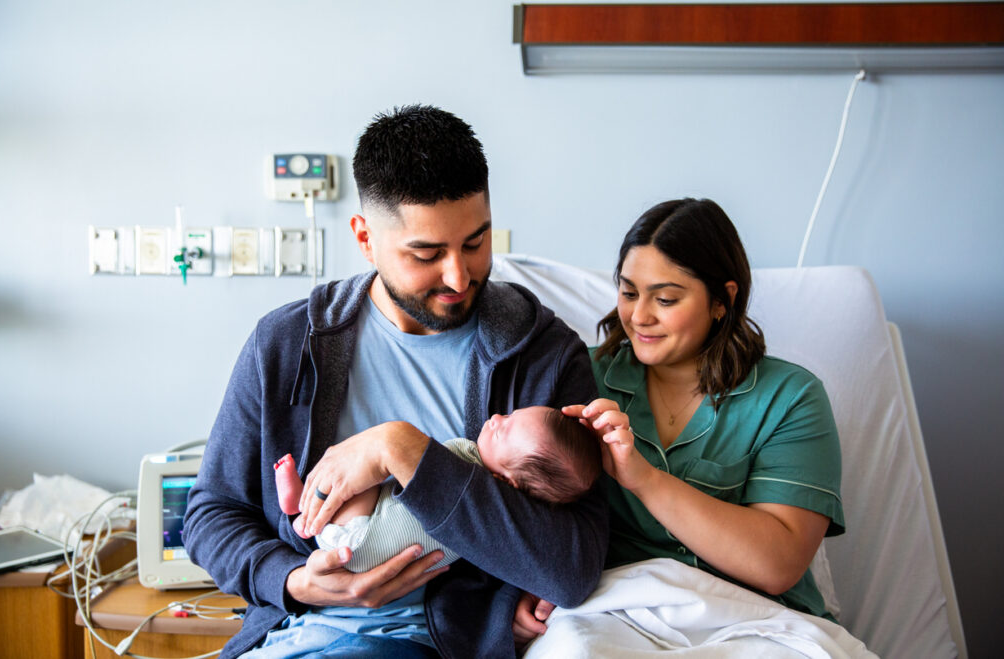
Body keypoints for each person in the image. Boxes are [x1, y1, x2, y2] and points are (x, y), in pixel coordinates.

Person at [183, 105, 607, 659]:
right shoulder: (287, 344)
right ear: (365, 238)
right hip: (293, 631)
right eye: (427, 254)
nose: (459, 276)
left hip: (428, 643)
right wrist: (290, 581)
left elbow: (572, 566)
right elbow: (211, 513)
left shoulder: (542, 356)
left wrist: (403, 450)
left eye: (476, 243)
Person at [513, 198, 845, 647]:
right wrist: (517, 591)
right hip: (615, 614)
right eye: (629, 293)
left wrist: (645, 480)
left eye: (665, 299)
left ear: (722, 301)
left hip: (755, 622)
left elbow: (778, 564)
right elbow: (520, 496)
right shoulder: (579, 378)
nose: (639, 316)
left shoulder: (790, 398)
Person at [274, 406, 602, 573]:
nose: (498, 417)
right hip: (356, 555)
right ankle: (300, 508)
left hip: (358, 542)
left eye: (503, 430)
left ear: (506, 480)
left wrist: (389, 447)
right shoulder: (497, 519)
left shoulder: (467, 466)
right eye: (510, 415)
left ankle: (301, 510)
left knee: (361, 476)